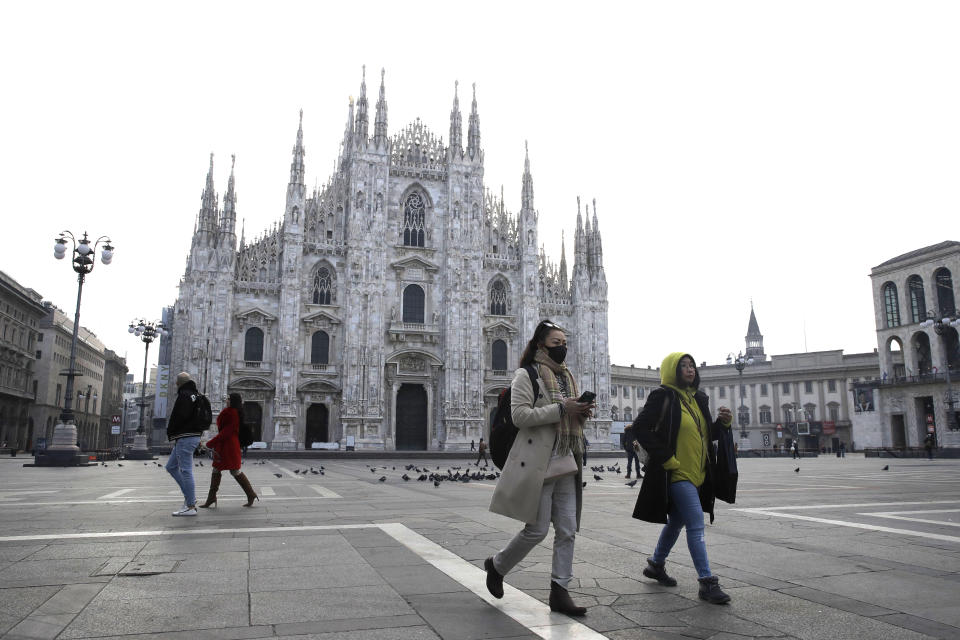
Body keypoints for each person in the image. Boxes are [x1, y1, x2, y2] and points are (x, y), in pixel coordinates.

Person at [486, 320, 594, 616]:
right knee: (537, 530)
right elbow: (520, 416)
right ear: (540, 345)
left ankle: (560, 591)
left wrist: (580, 413)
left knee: (568, 529)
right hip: (540, 461)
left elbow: (566, 416)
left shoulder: (566, 377)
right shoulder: (527, 374)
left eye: (564, 342)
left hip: (566, 458)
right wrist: (563, 409)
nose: (563, 348)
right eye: (556, 343)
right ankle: (497, 566)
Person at [631, 353, 733, 604]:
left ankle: (655, 564)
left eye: (692, 366)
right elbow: (640, 428)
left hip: (699, 473)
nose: (690, 370)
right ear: (671, 371)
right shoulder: (663, 396)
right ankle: (707, 582)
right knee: (696, 523)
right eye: (683, 366)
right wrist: (667, 459)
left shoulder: (697, 399)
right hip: (677, 472)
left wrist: (723, 424)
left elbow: (705, 433)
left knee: (677, 521)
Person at [199, 393, 259, 508]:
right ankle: (211, 498)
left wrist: (210, 443)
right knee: (217, 469)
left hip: (229, 447)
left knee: (234, 471)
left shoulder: (232, 413)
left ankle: (251, 494)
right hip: (224, 446)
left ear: (232, 401)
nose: (226, 400)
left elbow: (226, 432)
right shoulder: (230, 412)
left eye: (228, 399)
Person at [166, 372, 205, 516]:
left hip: (185, 437)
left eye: (177, 382)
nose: (176, 384)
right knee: (171, 467)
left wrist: (171, 431)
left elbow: (179, 416)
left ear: (180, 383)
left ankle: (190, 506)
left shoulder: (184, 395)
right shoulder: (196, 395)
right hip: (191, 436)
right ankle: (190, 497)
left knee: (186, 470)